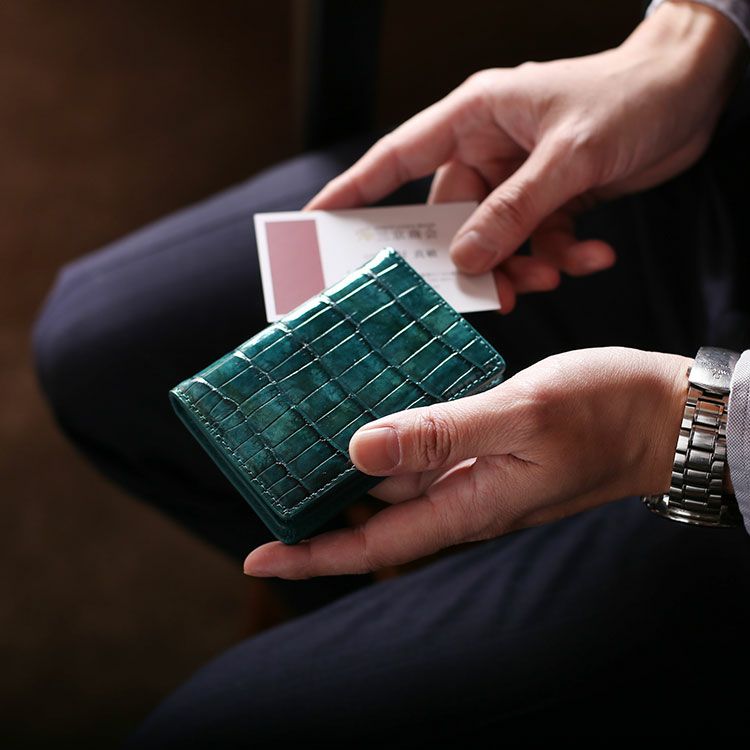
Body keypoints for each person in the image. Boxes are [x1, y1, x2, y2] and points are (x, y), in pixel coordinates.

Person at [32, 0, 750, 743]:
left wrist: (672, 427)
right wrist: (695, 34)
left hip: (729, 468)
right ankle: (355, 614)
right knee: (92, 341)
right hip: (710, 171)